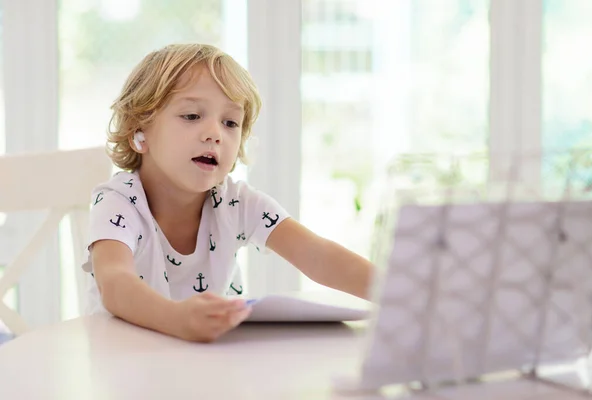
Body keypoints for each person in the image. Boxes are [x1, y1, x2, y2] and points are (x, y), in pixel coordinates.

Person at [82, 43, 374, 343]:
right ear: (138, 132)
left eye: (230, 122)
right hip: (121, 363)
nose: (214, 133)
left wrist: (403, 293)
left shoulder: (237, 203)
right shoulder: (117, 202)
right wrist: (177, 318)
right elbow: (115, 282)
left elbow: (317, 256)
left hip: (205, 363)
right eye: (192, 115)